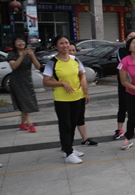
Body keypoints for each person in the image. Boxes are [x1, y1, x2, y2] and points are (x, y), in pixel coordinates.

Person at [42, 35, 90, 164]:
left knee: (73, 124)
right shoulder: (52, 62)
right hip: (62, 99)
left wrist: (83, 82)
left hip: (77, 96)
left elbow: (82, 73)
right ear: (55, 46)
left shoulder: (75, 59)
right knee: (65, 126)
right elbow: (46, 81)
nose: (65, 45)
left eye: (67, 43)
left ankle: (69, 148)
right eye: (61, 43)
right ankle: (68, 153)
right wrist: (62, 83)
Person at [114, 31, 135, 140]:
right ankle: (119, 129)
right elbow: (122, 63)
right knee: (123, 105)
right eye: (131, 37)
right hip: (124, 82)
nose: (134, 40)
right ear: (126, 39)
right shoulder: (121, 51)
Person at [7, 36, 40, 132]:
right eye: (18, 41)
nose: (21, 43)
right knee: (24, 102)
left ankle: (22, 124)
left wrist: (32, 55)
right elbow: (14, 66)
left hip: (27, 81)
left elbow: (38, 66)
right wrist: (22, 56)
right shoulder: (11, 54)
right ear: (14, 43)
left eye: (22, 41)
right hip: (17, 82)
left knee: (24, 103)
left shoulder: (29, 53)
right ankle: (30, 124)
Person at [68, 42, 98, 146]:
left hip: (79, 94)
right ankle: (67, 144)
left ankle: (85, 139)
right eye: (69, 50)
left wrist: (86, 93)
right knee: (69, 121)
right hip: (67, 97)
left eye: (73, 50)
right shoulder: (58, 62)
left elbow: (83, 78)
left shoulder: (77, 61)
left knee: (80, 118)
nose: (72, 52)